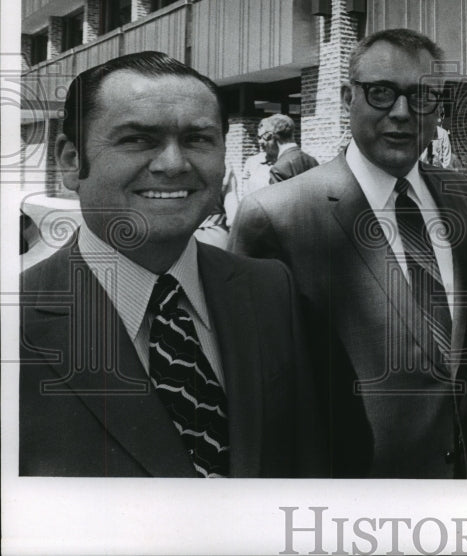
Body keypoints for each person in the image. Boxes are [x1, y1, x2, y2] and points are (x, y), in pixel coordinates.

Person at [19, 52, 326, 477]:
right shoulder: (16, 324)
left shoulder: (271, 289)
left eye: (198, 139)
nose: (173, 164)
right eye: (137, 139)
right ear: (71, 161)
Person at [229, 28, 467, 478]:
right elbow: (258, 400)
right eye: (382, 93)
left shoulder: (462, 197)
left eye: (423, 96)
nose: (403, 113)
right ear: (348, 96)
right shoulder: (275, 218)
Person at [258, 113, 319, 184]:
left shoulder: (279, 169)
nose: (260, 142)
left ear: (269, 136)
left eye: (262, 137)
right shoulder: (312, 161)